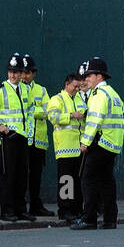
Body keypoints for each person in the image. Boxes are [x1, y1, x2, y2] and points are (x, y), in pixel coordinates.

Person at [0, 53, 34, 222]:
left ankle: (20, 209)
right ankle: (7, 211)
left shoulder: (26, 89)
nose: (13, 75)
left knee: (22, 176)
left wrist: (29, 132)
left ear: (21, 73)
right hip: (8, 139)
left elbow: (30, 110)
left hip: (23, 137)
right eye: (10, 71)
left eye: (16, 72)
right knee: (8, 176)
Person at [71, 56, 124, 231]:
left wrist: (85, 142)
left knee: (89, 180)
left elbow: (94, 121)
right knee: (107, 181)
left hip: (100, 143)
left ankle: (89, 219)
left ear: (99, 76)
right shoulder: (113, 94)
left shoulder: (98, 95)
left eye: (89, 75)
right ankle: (110, 219)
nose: (86, 79)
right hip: (112, 143)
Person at [47, 71, 87, 222]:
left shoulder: (79, 99)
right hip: (64, 147)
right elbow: (52, 117)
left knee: (77, 181)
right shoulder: (57, 99)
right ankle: (64, 210)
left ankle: (77, 209)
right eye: (75, 86)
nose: (77, 89)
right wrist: (70, 115)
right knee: (66, 181)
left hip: (78, 147)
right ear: (67, 85)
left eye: (78, 87)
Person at [21, 54, 54, 216]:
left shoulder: (41, 90)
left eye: (28, 73)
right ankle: (19, 206)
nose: (25, 76)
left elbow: (48, 111)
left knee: (36, 175)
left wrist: (33, 111)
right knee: (20, 175)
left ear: (34, 73)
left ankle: (35, 205)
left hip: (38, 141)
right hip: (22, 140)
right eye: (23, 72)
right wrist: (36, 111)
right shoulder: (16, 89)